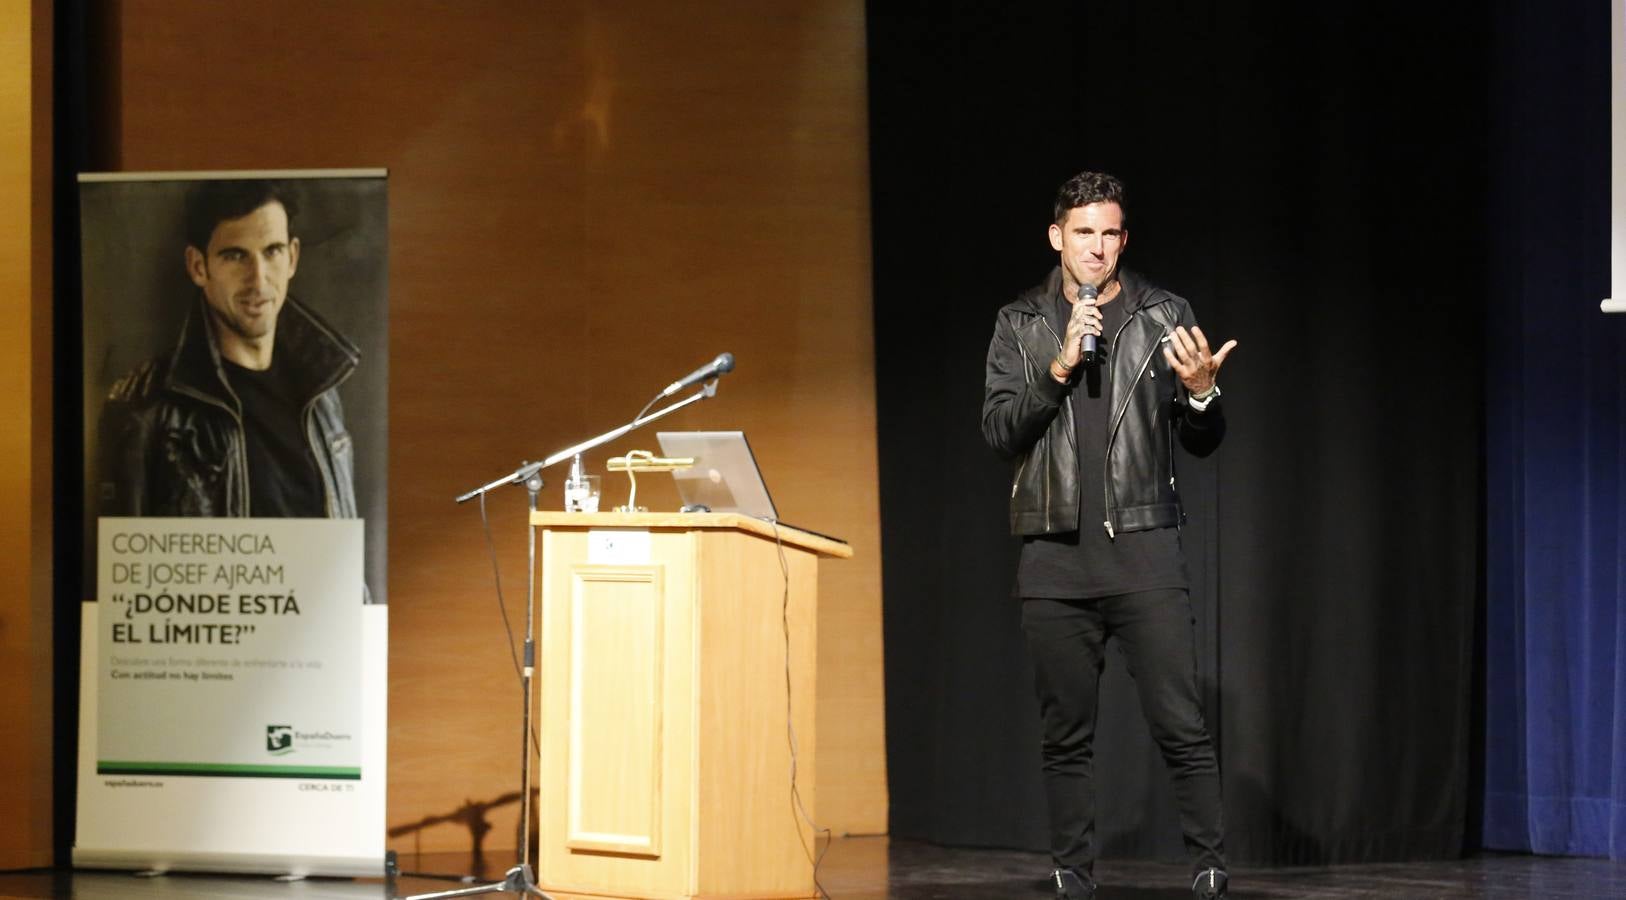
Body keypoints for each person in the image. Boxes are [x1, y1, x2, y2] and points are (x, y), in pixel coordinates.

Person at [981, 171, 1237, 900]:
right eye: (1084, 233)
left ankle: (1210, 867)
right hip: (1054, 558)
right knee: (1066, 736)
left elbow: (1204, 441)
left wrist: (1199, 394)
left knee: (1181, 723)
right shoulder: (1020, 322)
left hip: (1145, 550)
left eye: (1111, 234)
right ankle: (1071, 872)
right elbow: (1000, 432)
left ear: (1124, 240)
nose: (1098, 248)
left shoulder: (1164, 312)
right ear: (1057, 236)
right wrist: (1060, 363)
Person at [97, 180, 360, 519]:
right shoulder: (147, 408)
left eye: (272, 251)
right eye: (236, 256)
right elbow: (122, 561)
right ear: (198, 266)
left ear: (293, 257)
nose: (259, 280)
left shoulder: (323, 393)